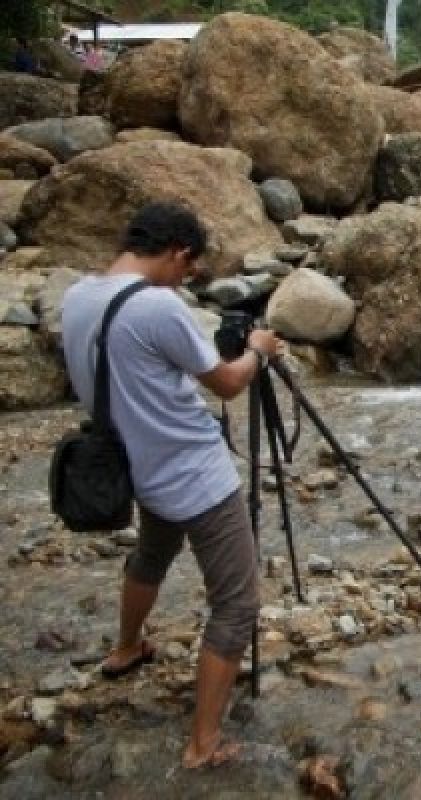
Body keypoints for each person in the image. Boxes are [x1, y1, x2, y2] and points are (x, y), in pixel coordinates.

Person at [61, 202, 282, 769]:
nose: (186, 280)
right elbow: (229, 384)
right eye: (189, 270)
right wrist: (257, 352)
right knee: (236, 604)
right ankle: (203, 744)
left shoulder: (79, 296)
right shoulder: (157, 307)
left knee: (153, 553)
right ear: (179, 253)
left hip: (140, 468)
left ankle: (127, 647)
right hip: (194, 475)